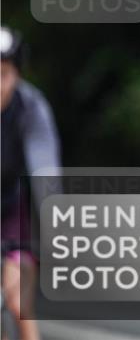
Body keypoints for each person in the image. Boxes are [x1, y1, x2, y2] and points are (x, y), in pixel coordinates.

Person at [1, 26, 61, 340]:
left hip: (12, 208)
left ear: (18, 75)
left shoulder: (31, 107)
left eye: (3, 75)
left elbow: (44, 167)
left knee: (19, 302)